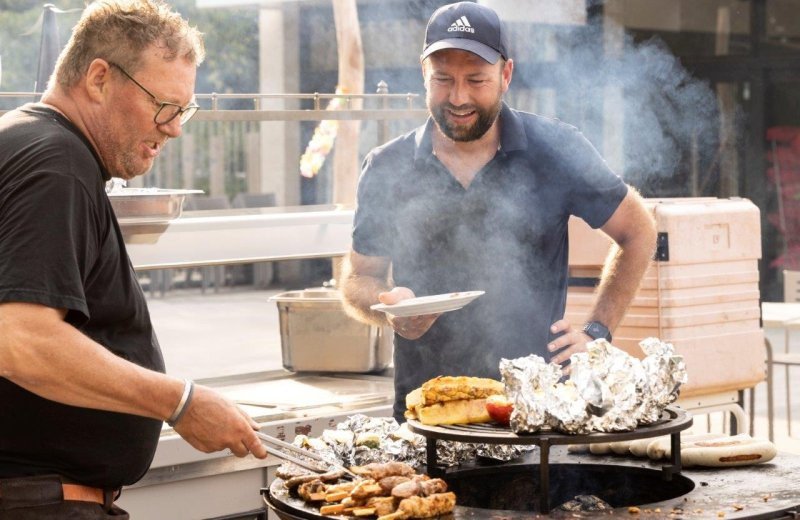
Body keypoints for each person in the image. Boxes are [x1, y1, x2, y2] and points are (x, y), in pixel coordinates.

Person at [0, 1, 267, 518]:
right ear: (99, 78)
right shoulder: (57, 164)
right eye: (163, 106)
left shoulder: (23, 140)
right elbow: (20, 340)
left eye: (183, 111)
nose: (174, 129)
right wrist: (181, 402)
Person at [339, 1, 658, 421]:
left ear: (506, 74)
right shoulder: (387, 166)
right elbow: (359, 278)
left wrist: (597, 331)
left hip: (534, 411)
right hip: (428, 416)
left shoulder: (556, 148)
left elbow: (638, 230)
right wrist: (385, 303)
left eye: (476, 79)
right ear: (423, 74)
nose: (458, 97)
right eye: (443, 79)